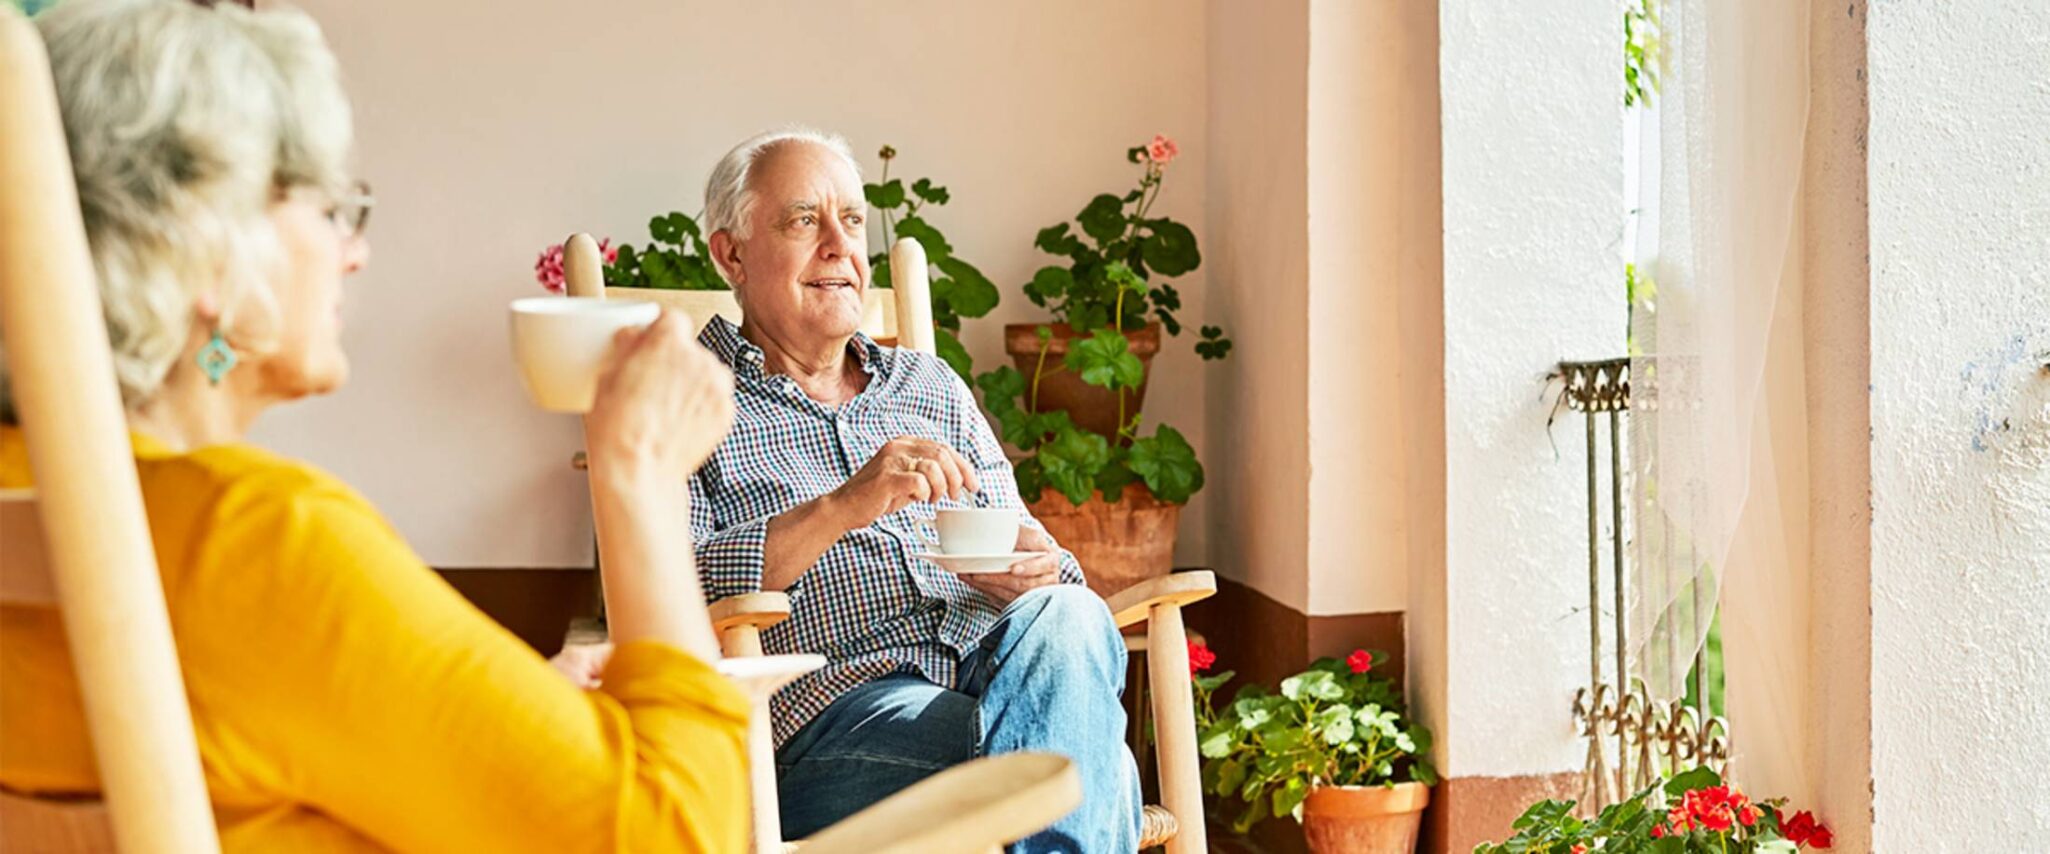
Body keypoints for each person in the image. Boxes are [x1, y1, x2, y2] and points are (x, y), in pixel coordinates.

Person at [0, 2, 744, 850]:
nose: (354, 252)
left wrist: (506, 713)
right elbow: (680, 836)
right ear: (208, 247)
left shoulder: (41, 509)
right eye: (327, 211)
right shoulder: (248, 541)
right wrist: (641, 473)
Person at [687, 128, 1139, 853]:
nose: (839, 246)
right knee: (1090, 762)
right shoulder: (687, 396)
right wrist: (844, 506)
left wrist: (1027, 572)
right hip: (833, 719)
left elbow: (1061, 582)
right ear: (731, 254)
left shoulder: (930, 388)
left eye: (853, 222)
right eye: (804, 220)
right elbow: (668, 593)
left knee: (1066, 613)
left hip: (991, 667)